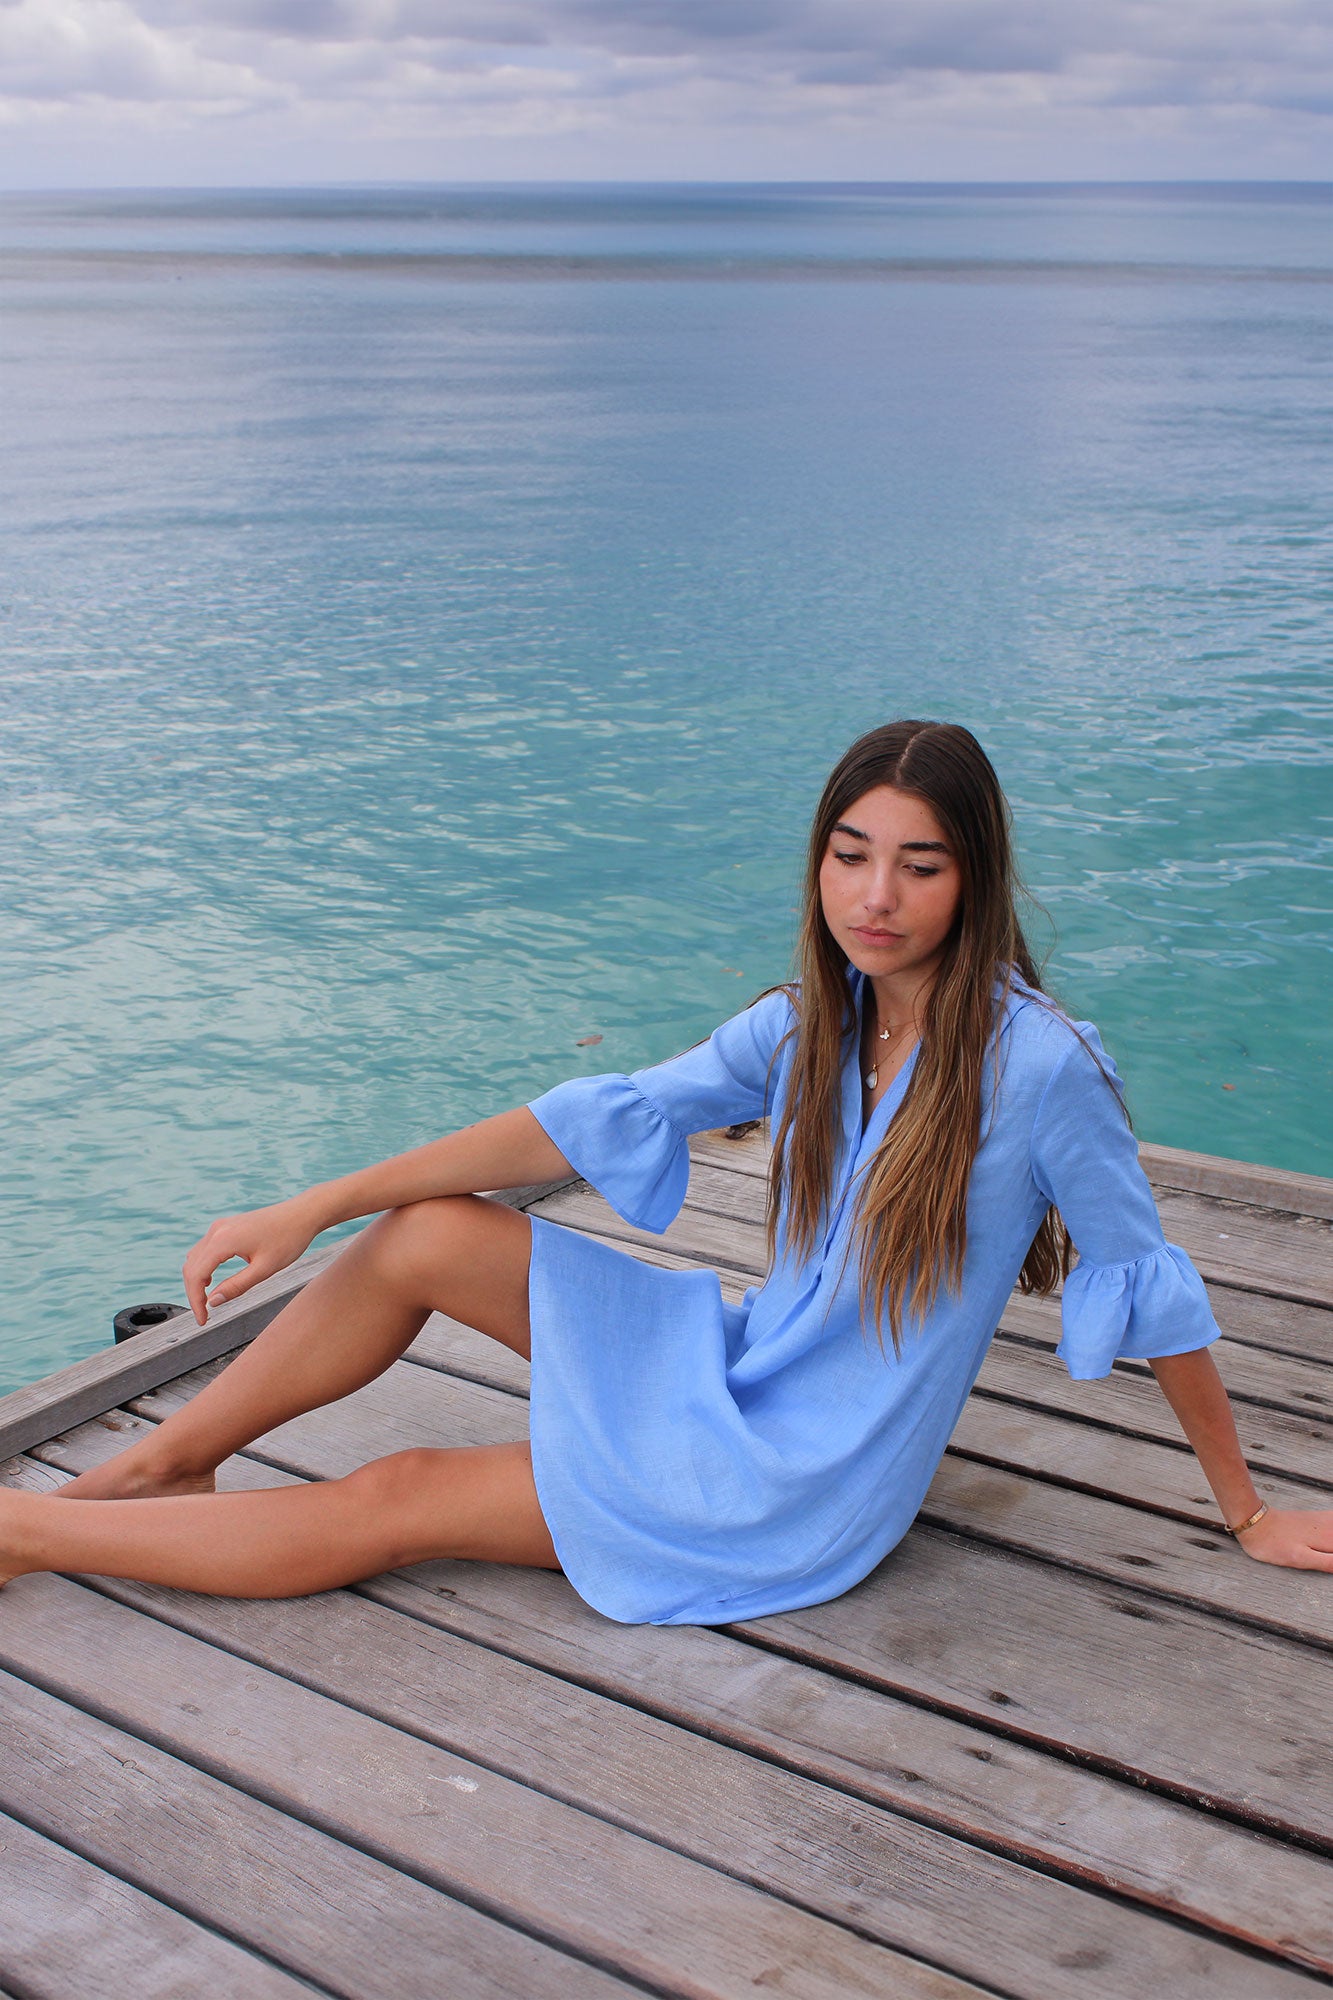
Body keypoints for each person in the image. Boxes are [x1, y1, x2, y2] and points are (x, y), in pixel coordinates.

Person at [4, 719, 1330, 1606]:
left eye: (917, 869)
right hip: (735, 1362)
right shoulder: (818, 1022)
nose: (874, 897)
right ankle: (154, 1469)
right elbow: (579, 1126)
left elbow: (1146, 1280)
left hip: (799, 1478)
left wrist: (1244, 1510)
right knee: (418, 1233)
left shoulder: (1042, 1068)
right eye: (849, 855)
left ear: (973, 882)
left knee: (402, 1493)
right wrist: (317, 1200)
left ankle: (29, 1532)